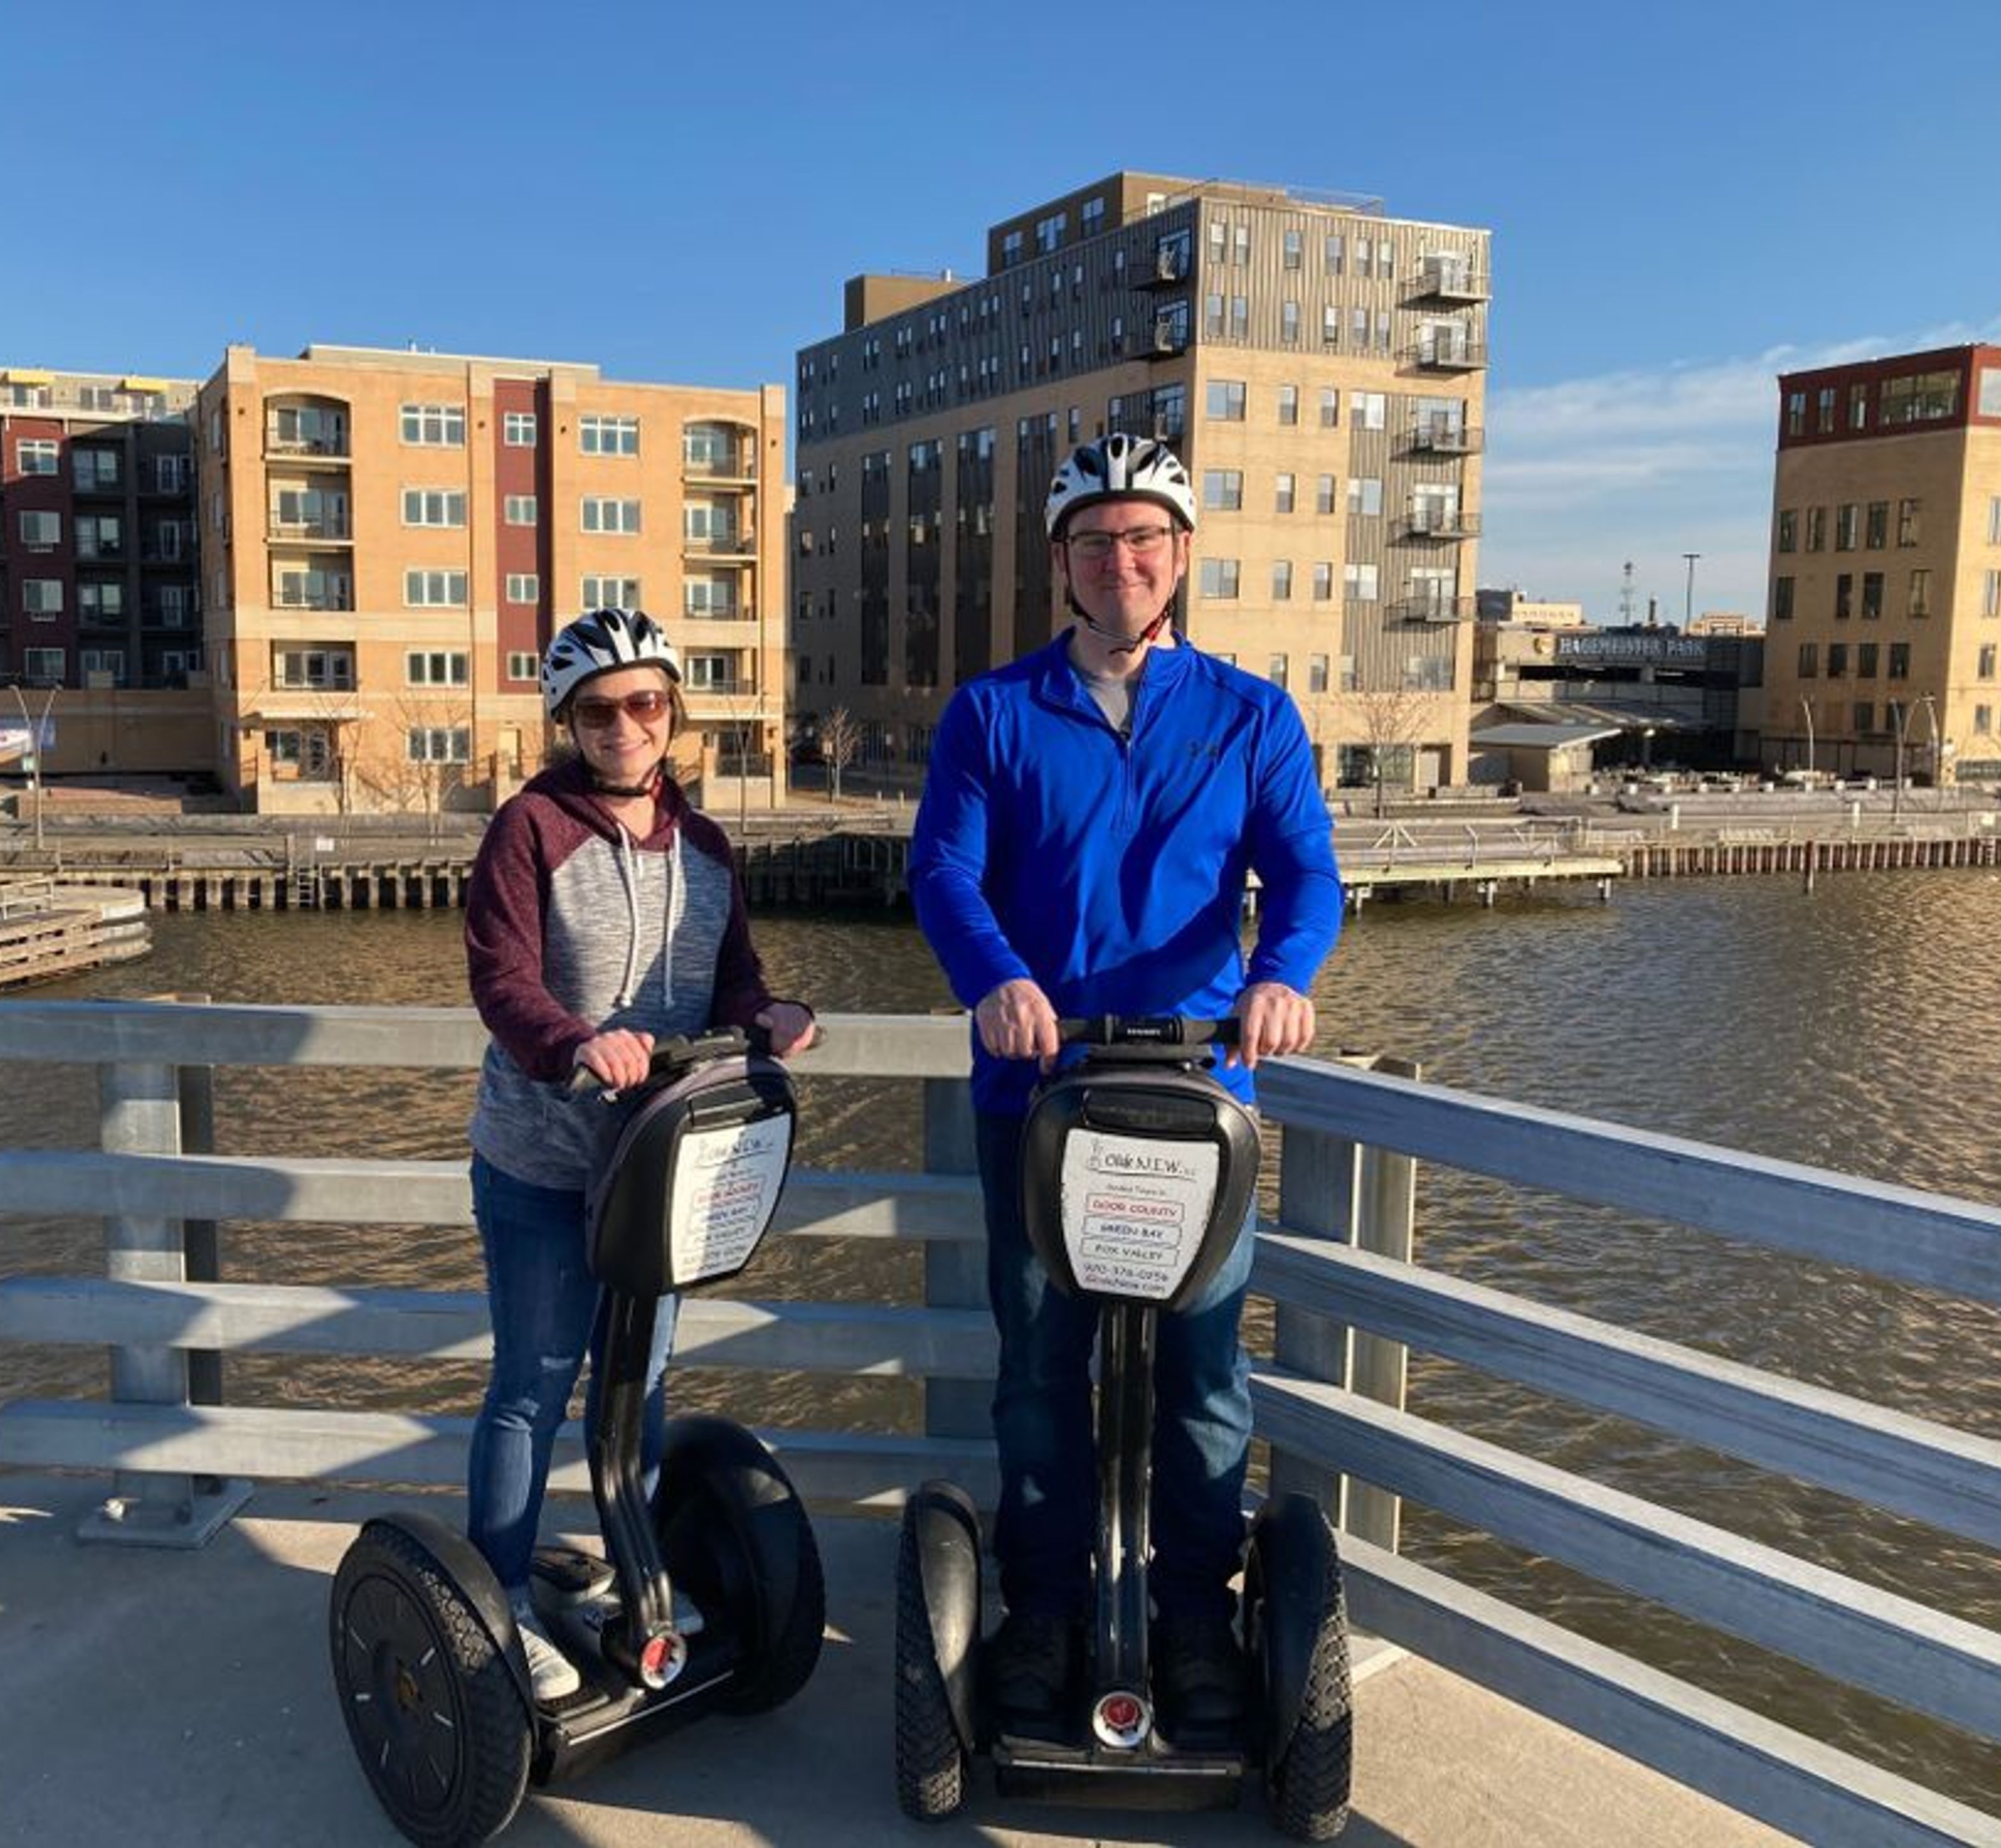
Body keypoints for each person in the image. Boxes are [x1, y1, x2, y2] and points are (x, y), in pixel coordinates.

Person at [908, 432, 1344, 1733]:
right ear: (1063, 563)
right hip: (1039, 1092)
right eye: (1097, 542)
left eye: (1145, 538)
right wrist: (993, 977)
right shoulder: (992, 712)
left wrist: (1285, 971)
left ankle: (1197, 1616)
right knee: (1041, 1364)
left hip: (1200, 1090)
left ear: (1181, 557)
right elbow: (944, 873)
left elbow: (1308, 871)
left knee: (1204, 1373)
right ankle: (1039, 1608)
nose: (1123, 561)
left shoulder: (1249, 713)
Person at [464, 607, 816, 1699]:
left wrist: (768, 1014)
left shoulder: (706, 845)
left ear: (674, 712)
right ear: (569, 720)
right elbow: (503, 980)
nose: (627, 725)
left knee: (642, 1378)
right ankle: (505, 1600)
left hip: (663, 1163)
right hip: (544, 1156)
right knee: (534, 1382)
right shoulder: (530, 829)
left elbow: (733, 978)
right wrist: (577, 1041)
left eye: (646, 703)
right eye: (601, 709)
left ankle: (634, 1567)